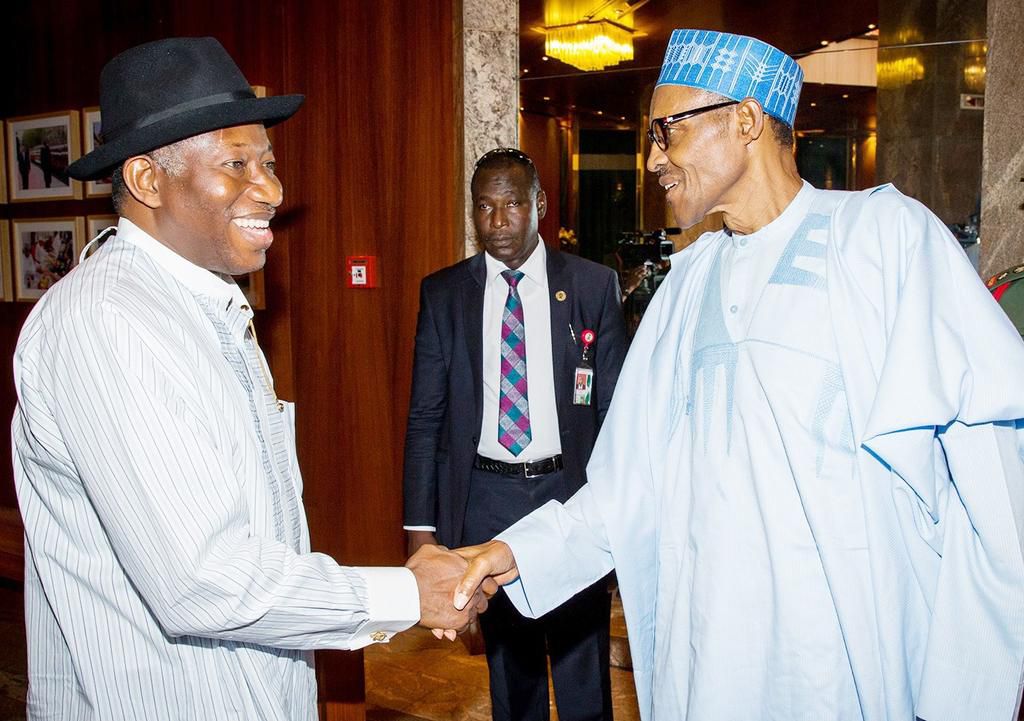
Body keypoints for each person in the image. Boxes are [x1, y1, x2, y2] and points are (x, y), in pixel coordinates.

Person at [453, 30, 1024, 721]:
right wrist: (517, 551)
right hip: (707, 668)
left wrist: (961, 697)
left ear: (747, 120)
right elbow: (628, 489)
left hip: (841, 680)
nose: (653, 158)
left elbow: (996, 490)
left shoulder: (886, 242)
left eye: (667, 131)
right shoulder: (689, 284)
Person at [14, 36, 485, 721]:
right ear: (149, 181)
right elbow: (202, 578)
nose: (272, 188)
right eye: (236, 164)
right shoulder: (105, 323)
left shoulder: (207, 304)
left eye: (267, 162)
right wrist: (406, 594)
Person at [403, 147, 628, 721]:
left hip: (567, 496)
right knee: (510, 673)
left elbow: (613, 414)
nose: (498, 222)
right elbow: (425, 417)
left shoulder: (592, 286)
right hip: (486, 502)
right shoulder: (444, 293)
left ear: (539, 206)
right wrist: (420, 532)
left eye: (511, 205)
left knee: (582, 672)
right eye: (484, 207)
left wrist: (616, 512)